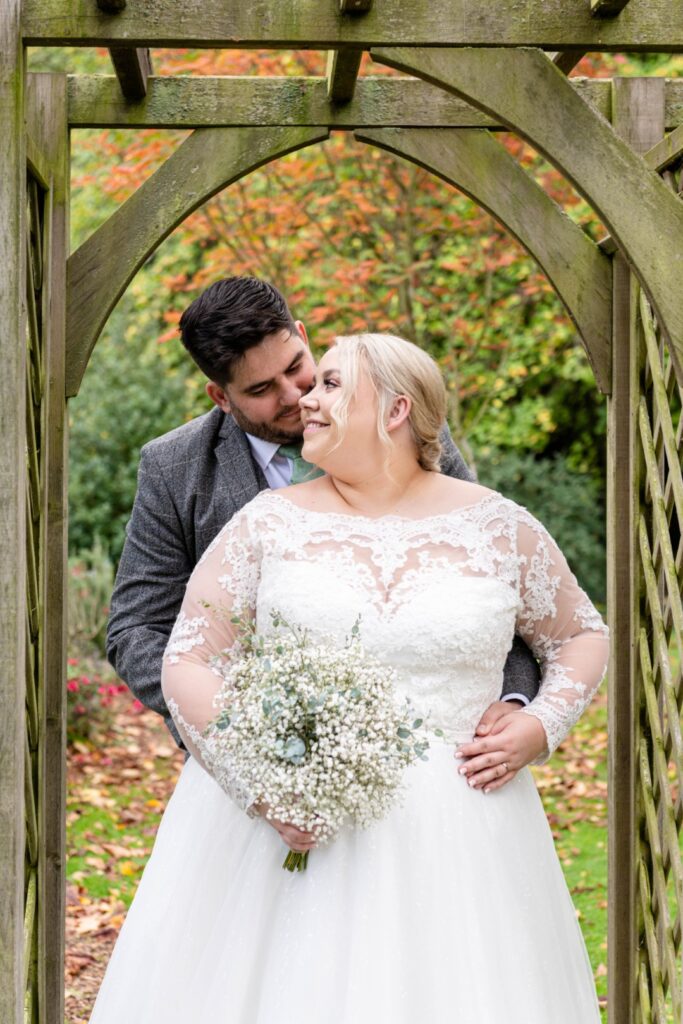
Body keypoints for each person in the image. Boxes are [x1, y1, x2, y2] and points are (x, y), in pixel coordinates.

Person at [90, 332, 608, 1022]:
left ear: (396, 410)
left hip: (462, 842)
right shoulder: (265, 525)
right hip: (285, 833)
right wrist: (260, 780)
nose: (306, 398)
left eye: (330, 384)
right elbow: (186, 658)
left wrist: (539, 723)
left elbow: (579, 635)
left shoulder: (496, 526)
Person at [106, 277, 542, 787]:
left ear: (303, 335)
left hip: (444, 763)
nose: (295, 396)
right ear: (221, 397)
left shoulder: (403, 427)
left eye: (295, 367)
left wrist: (515, 702)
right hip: (262, 772)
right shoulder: (173, 467)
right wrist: (237, 726)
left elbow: (491, 580)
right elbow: (137, 628)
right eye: (261, 390)